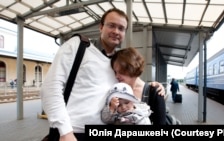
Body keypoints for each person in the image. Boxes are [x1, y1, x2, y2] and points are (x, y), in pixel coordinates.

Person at [40, 8, 165, 141]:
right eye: (111, 25)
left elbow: (132, 78)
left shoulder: (117, 62)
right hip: (73, 132)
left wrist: (153, 86)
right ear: (101, 27)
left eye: (121, 28)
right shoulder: (79, 46)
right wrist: (65, 132)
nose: (116, 31)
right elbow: (51, 87)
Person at [110, 47, 167, 125]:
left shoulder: (154, 91)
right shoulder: (116, 90)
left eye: (120, 71)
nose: (116, 76)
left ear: (132, 67)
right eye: (115, 72)